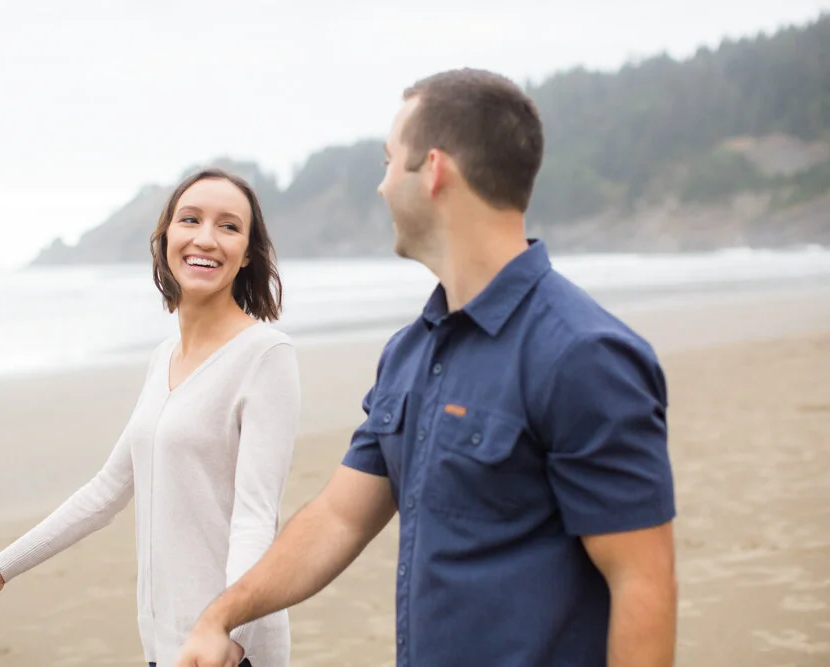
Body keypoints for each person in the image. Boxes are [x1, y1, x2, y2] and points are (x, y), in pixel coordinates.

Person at [174, 69, 678, 667]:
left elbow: (644, 586)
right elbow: (337, 519)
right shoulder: (410, 353)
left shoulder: (582, 356)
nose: (383, 186)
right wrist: (222, 615)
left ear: (434, 170)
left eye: (391, 162)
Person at [0, 168, 301, 667]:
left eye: (229, 226)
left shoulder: (265, 355)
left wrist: (227, 628)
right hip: (165, 645)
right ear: (166, 236)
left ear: (249, 253)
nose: (206, 238)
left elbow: (256, 518)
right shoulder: (164, 357)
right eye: (190, 219)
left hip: (231, 650)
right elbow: (106, 491)